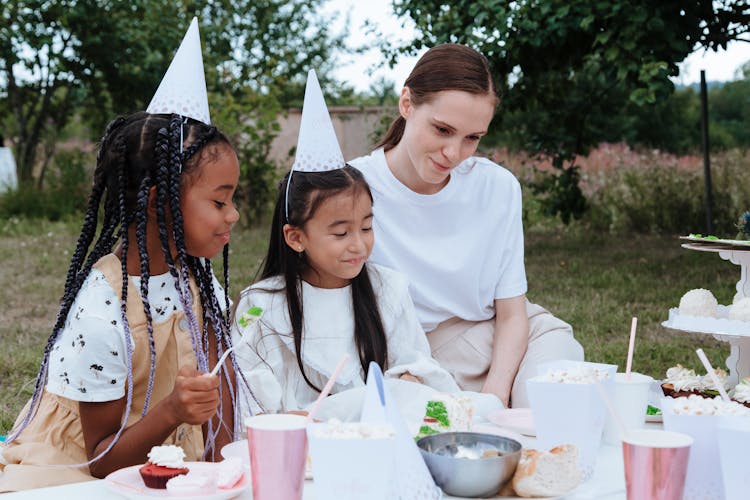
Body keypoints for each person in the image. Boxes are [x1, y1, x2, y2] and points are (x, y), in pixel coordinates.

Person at [0, 19, 249, 491]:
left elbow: (225, 396)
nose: (233, 215)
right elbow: (100, 461)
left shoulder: (202, 284)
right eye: (220, 201)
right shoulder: (102, 312)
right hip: (83, 466)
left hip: (171, 465)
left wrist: (222, 476)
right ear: (159, 202)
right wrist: (172, 411)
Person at [349, 43, 583, 409]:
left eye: (472, 138)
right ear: (407, 103)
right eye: (442, 130)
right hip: (413, 360)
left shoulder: (497, 187)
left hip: (510, 347)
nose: (454, 154)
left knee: (557, 408)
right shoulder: (352, 188)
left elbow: (511, 314)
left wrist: (495, 397)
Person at [232, 70, 458, 415]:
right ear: (296, 237)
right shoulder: (261, 306)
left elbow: (414, 361)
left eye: (366, 227)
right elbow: (248, 397)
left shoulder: (387, 290)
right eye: (340, 233)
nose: (358, 245)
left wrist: (409, 379)